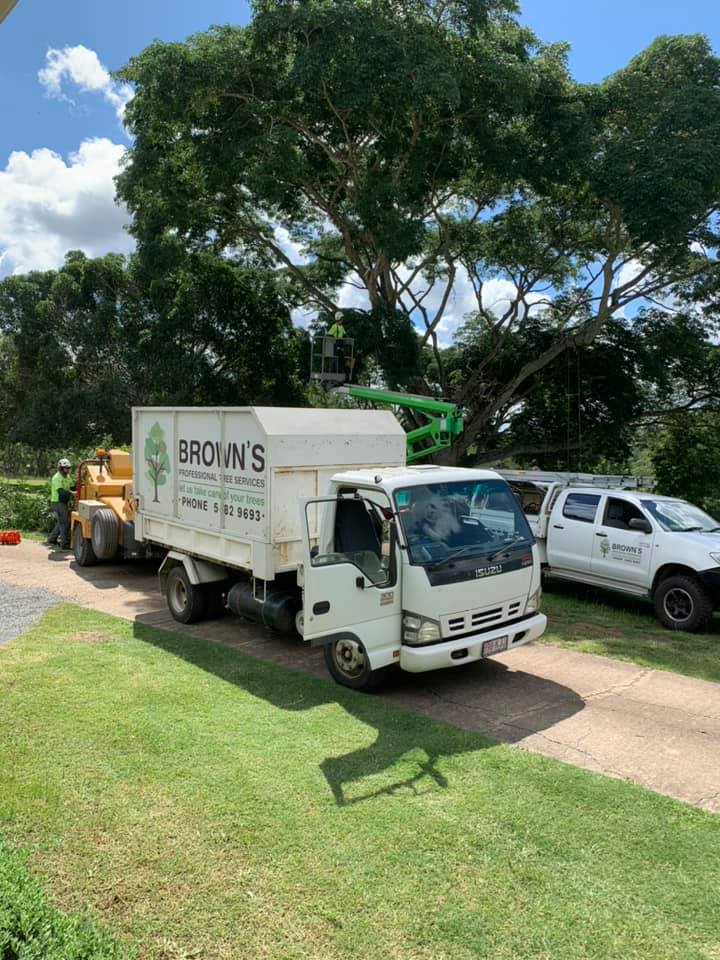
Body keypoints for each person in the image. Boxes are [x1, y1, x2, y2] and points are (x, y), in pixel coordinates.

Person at [47, 457, 74, 549]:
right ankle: (65, 543)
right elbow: (61, 492)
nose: (67, 470)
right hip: (57, 502)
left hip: (63, 502)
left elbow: (72, 486)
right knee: (64, 523)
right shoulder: (57, 478)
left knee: (61, 522)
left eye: (68, 468)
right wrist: (71, 493)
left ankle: (51, 539)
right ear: (61, 468)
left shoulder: (67, 477)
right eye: (65, 468)